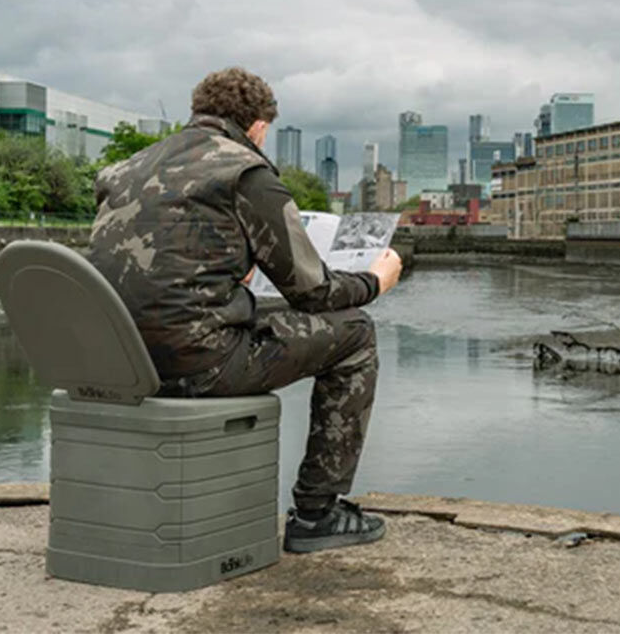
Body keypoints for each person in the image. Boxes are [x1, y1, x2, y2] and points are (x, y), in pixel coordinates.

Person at [87, 66, 402, 554]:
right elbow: (313, 294)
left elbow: (158, 267)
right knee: (355, 332)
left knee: (263, 306)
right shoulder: (245, 171)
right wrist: (373, 281)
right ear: (257, 125)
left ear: (200, 112)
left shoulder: (127, 168)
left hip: (119, 359)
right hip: (195, 363)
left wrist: (231, 268)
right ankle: (317, 513)